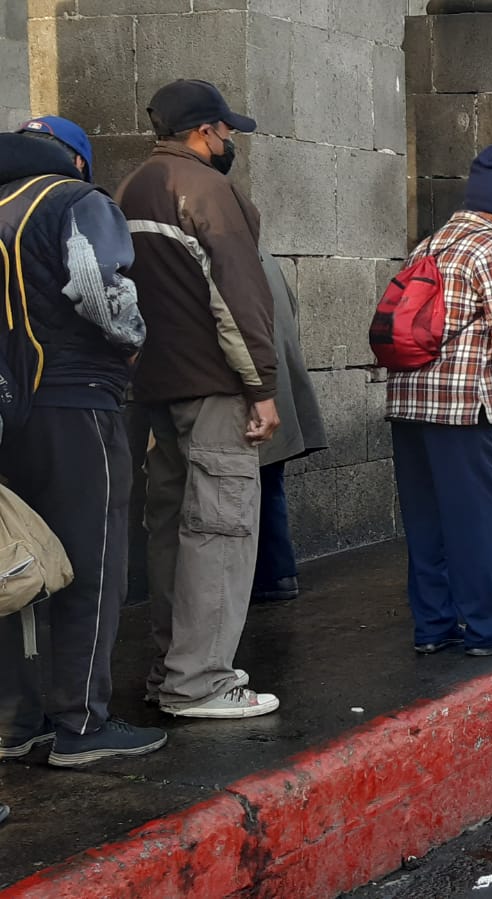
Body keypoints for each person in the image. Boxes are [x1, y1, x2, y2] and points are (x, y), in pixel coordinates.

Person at [0, 117, 167, 764]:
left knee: (16, 561)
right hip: (73, 405)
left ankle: (16, 721)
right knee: (92, 562)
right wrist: (132, 339)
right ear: (73, 159)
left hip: (9, 411)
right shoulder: (75, 200)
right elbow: (97, 286)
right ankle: (81, 723)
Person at [118, 79, 282, 719]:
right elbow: (238, 301)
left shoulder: (130, 188)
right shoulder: (210, 191)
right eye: (225, 129)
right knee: (219, 528)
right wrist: (262, 389)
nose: (231, 139)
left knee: (170, 532)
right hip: (213, 387)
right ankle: (202, 682)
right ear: (202, 132)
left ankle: (171, 669)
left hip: (154, 389)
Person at [387, 145, 492, 657]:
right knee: (478, 518)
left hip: (408, 399)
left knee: (427, 520)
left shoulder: (429, 244)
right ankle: (489, 628)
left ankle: (433, 626)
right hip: (463, 406)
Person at [251, 246, 327, 603]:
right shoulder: (265, 257)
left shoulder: (225, 257)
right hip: (278, 384)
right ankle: (278, 573)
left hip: (257, 390)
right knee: (269, 483)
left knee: (257, 486)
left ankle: (273, 575)